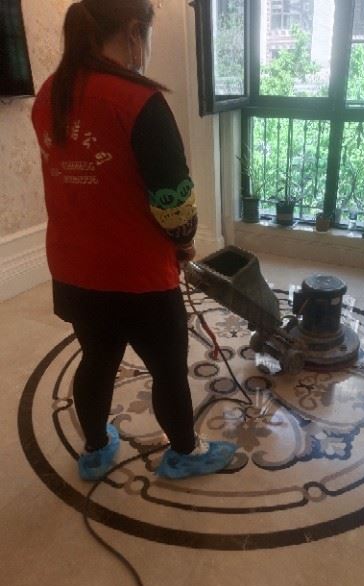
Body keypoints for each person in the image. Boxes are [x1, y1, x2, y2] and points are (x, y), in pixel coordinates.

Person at [31, 0, 236, 481]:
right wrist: (184, 241)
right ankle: (184, 453)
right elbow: (174, 197)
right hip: (137, 274)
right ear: (131, 30)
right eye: (147, 33)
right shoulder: (138, 99)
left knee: (97, 359)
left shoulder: (49, 94)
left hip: (75, 269)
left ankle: (96, 448)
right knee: (167, 368)